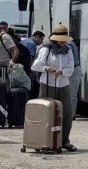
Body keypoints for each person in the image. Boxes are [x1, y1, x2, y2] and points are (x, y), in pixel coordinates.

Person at [32, 23, 79, 152]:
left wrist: (61, 72)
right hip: (48, 84)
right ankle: (43, 140)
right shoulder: (45, 49)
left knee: (67, 114)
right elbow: (35, 66)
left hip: (63, 84)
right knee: (46, 114)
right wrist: (46, 68)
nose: (63, 42)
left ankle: (64, 140)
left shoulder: (68, 50)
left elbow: (71, 67)